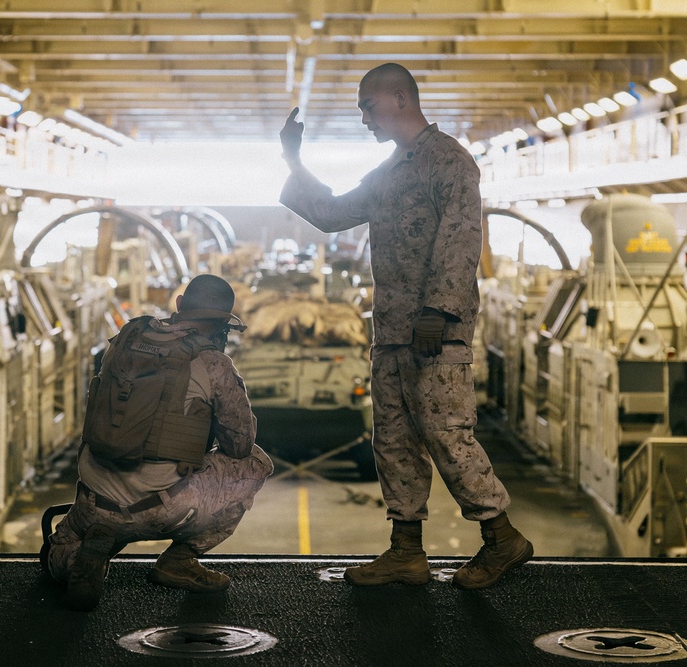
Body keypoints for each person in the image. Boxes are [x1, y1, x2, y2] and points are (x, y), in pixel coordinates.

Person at [278, 63, 533, 590]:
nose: (364, 118)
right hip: (392, 332)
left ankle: (501, 536)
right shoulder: (389, 173)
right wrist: (293, 160)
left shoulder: (450, 162)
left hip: (434, 333)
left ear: (399, 98)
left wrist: (438, 313)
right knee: (391, 439)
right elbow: (329, 212)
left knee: (445, 433)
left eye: (368, 106)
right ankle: (406, 550)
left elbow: (462, 241)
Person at [43, 274, 273, 611]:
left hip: (93, 497)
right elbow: (239, 445)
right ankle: (180, 560)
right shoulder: (214, 364)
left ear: (179, 304)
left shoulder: (125, 338)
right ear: (224, 323)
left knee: (55, 556)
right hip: (163, 506)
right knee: (255, 463)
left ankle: (78, 558)